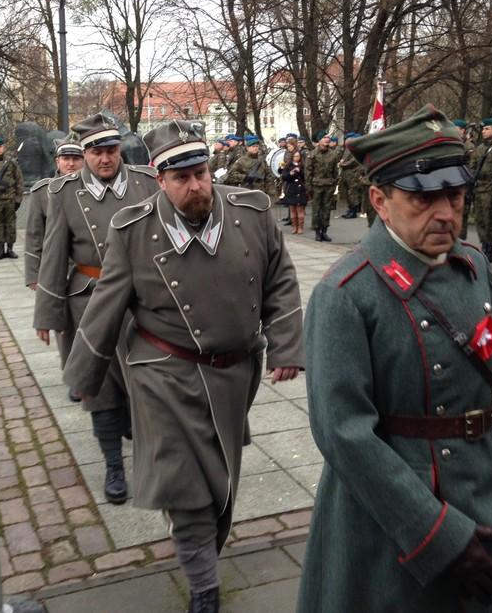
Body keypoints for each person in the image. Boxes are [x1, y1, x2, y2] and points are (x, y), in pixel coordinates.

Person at [298, 105, 492, 612]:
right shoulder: (347, 293)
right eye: (422, 198)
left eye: (454, 195)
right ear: (380, 200)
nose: (445, 213)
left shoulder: (473, 266)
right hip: (398, 507)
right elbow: (343, 435)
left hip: (488, 483)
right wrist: (435, 536)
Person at [62, 119, 303, 613]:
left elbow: (280, 278)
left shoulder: (252, 213)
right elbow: (106, 306)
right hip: (162, 369)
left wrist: (286, 344)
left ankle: (201, 557)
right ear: (159, 177)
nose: (195, 186)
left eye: (201, 173)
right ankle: (204, 588)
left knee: (220, 482)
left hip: (235, 370)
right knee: (185, 485)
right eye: (181, 177)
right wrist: (84, 378)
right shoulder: (132, 230)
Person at [35, 113, 158, 504]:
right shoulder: (65, 193)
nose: (104, 159)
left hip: (142, 301)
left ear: (119, 148)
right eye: (95, 152)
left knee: (148, 384)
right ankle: (113, 468)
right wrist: (47, 315)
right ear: (84, 153)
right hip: (88, 301)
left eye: (110, 150)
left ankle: (149, 458)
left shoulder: (145, 183)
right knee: (100, 389)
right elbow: (53, 256)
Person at [26, 137, 86, 402]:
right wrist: (34, 275)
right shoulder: (43, 192)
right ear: (57, 162)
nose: (71, 164)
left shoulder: (94, 189)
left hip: (87, 268)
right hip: (57, 270)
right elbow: (34, 235)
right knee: (66, 327)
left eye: (76, 159)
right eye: (66, 159)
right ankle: (74, 377)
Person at [468, 118, 492, 262]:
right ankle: (484, 245)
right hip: (479, 188)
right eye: (483, 129)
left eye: (487, 129)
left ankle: (490, 248)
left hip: (491, 189)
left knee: (490, 221)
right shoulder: (480, 148)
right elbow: (473, 167)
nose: (484, 132)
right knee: (480, 220)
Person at [305, 134, 339, 241]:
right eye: (324, 138)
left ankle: (324, 231)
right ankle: (317, 231)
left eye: (328, 138)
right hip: (316, 186)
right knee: (316, 209)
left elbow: (335, 172)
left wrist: (334, 184)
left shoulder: (333, 154)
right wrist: (309, 187)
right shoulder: (312, 154)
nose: (327, 140)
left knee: (326, 209)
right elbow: (308, 172)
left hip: (329, 185)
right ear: (319, 141)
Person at [280, 149, 308, 233]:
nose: (297, 158)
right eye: (295, 156)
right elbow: (284, 177)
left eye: (298, 156)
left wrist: (300, 172)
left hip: (300, 189)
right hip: (291, 189)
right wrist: (290, 174)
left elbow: (306, 176)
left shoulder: (303, 165)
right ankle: (294, 227)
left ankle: (300, 227)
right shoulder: (288, 166)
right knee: (292, 209)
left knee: (300, 209)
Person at [338, 132, 364, 219]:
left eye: (347, 139)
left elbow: (354, 160)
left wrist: (343, 164)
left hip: (353, 173)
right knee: (348, 192)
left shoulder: (357, 148)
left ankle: (353, 210)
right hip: (346, 174)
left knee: (352, 192)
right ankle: (350, 209)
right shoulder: (347, 148)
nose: (345, 141)